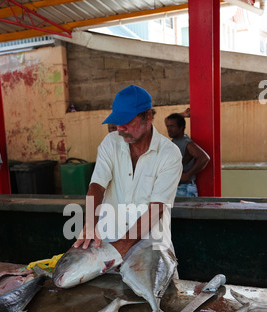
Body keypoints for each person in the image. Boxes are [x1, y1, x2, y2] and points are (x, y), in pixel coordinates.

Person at [73, 85, 182, 260]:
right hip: (108, 243)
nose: (120, 128)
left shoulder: (169, 154)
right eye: (117, 121)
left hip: (151, 251)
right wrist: (90, 223)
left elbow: (157, 208)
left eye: (127, 121)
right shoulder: (111, 143)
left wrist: (121, 247)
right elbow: (97, 186)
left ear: (147, 116)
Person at [165, 111, 210, 197]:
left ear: (181, 127)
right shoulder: (175, 141)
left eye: (172, 126)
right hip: (176, 188)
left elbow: (204, 158)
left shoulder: (187, 143)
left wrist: (188, 174)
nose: (169, 129)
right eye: (168, 126)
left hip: (184, 189)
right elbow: (166, 119)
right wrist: (183, 115)